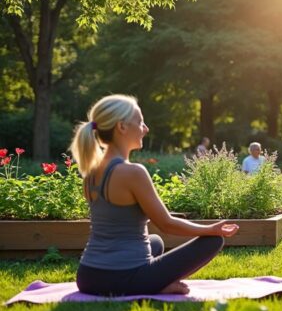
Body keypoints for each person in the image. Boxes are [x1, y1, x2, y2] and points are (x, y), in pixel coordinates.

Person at [70, 94, 239, 296]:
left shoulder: (91, 172)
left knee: (155, 241)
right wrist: (211, 229)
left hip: (88, 276)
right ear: (122, 127)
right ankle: (154, 286)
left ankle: (151, 282)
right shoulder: (133, 173)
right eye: (140, 122)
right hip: (121, 278)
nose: (146, 128)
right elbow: (166, 224)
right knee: (214, 240)